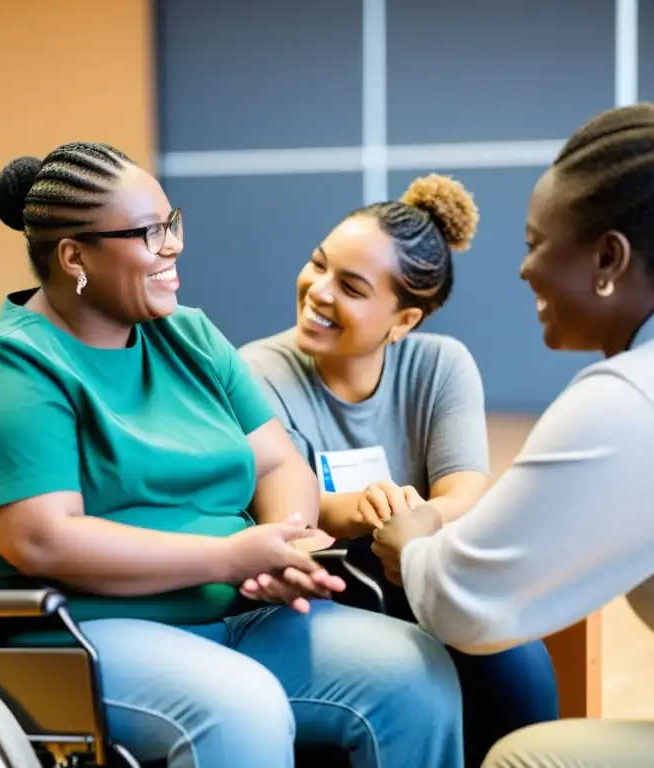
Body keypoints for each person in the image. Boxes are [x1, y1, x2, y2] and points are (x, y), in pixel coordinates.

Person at [0, 142, 465, 768]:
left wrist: (283, 542)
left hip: (239, 613)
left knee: (414, 674)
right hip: (80, 634)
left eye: (172, 222)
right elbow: (43, 540)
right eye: (147, 233)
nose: (173, 245)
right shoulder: (14, 367)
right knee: (242, 709)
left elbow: (277, 464)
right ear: (74, 256)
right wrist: (228, 557)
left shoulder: (188, 334)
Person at [369, 102, 654, 767]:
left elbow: (465, 603)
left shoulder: (636, 397)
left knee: (528, 757)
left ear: (608, 257)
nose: (522, 270)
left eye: (535, 242)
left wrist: (412, 543)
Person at [239, 174, 559, 764]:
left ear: (404, 321)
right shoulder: (256, 371)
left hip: (420, 569)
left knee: (519, 665)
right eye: (318, 264)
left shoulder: (441, 365)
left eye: (352, 287)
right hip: (322, 590)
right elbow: (286, 511)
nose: (319, 291)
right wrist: (364, 510)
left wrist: (414, 519)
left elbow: (465, 488)